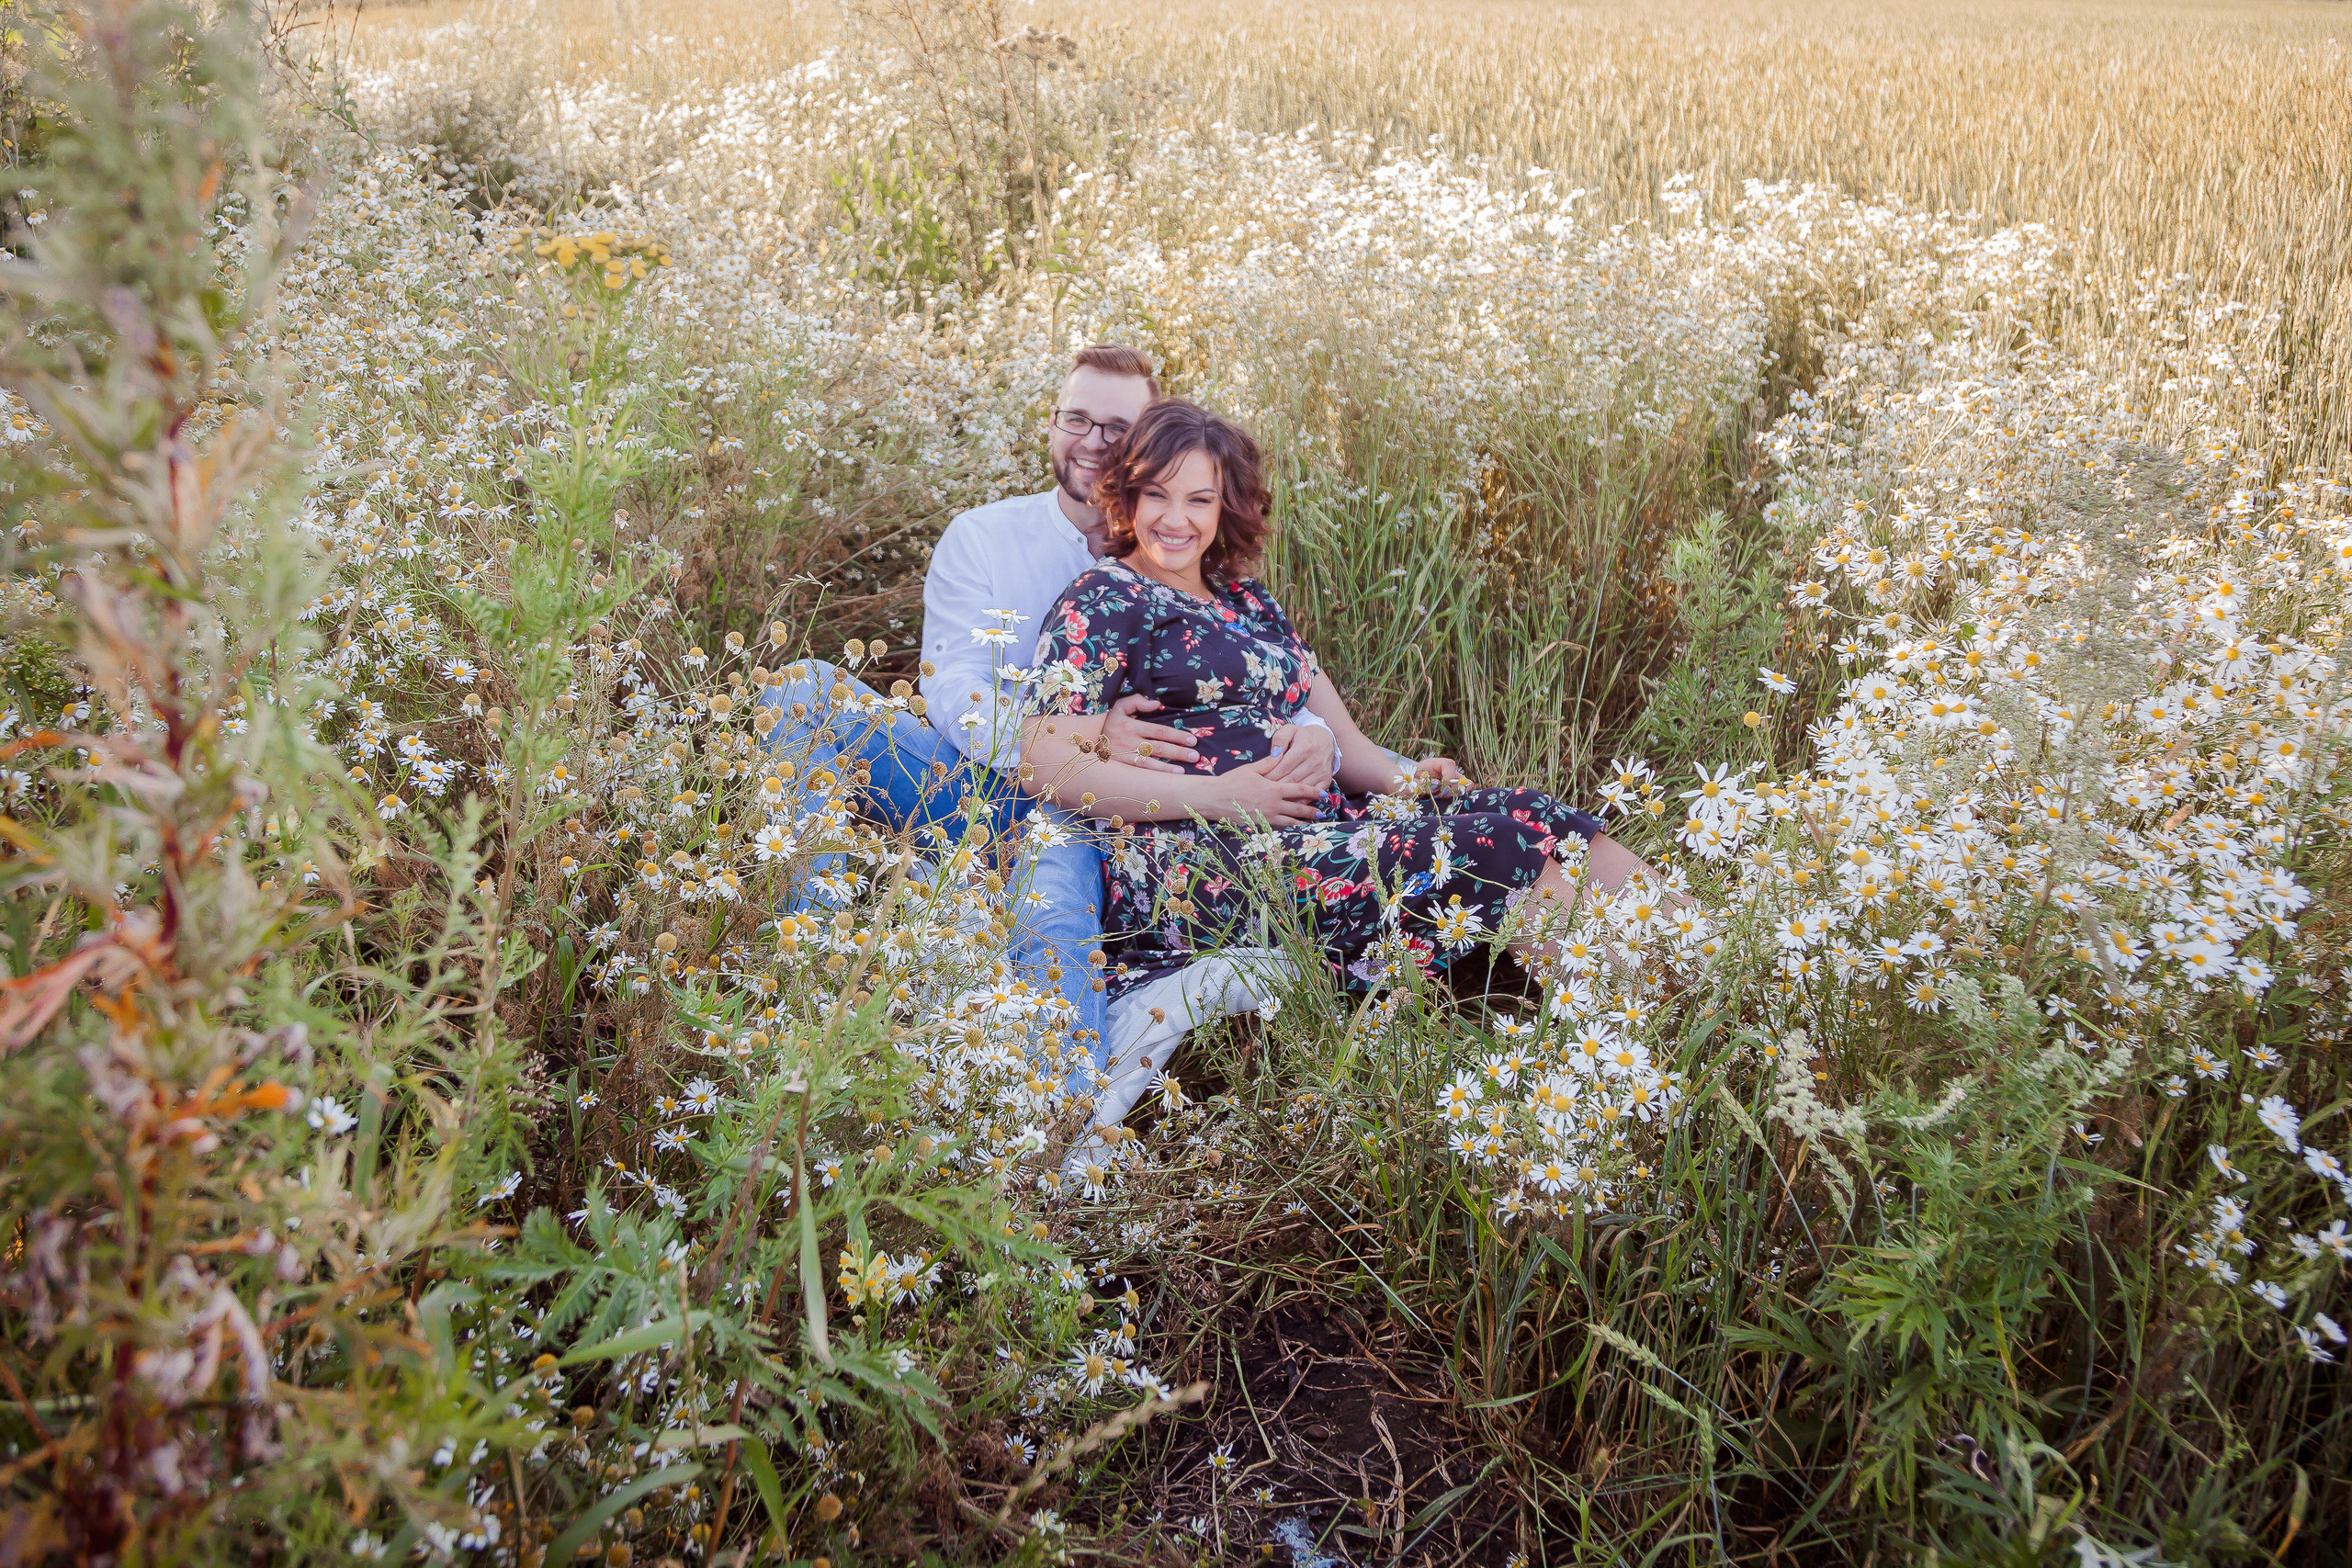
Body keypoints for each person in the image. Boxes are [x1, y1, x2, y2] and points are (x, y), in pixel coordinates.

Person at [759, 345, 1338, 1065]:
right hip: (980, 781)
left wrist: (1319, 735)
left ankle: (1055, 1119)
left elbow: (1253, 676)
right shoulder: (986, 536)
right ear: (1053, 423)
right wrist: (1075, 737)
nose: (1093, 441)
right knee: (803, 691)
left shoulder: (1188, 547)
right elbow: (953, 689)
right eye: (1077, 418)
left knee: (1055, 912)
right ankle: (799, 976)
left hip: (1103, 813)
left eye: (1117, 427)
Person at [1019, 398, 1668, 1020]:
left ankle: (1696, 961)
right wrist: (1220, 795)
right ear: (1127, 494)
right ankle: (1625, 1026)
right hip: (1203, 864)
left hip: (1315, 827)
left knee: (1535, 811)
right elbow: (1042, 760)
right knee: (1495, 849)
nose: (1175, 518)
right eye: (1157, 493)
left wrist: (1408, 780)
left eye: (1199, 498)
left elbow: (1345, 741)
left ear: (1226, 506)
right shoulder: (1106, 598)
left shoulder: (1248, 602)